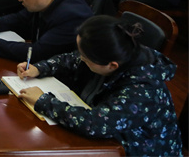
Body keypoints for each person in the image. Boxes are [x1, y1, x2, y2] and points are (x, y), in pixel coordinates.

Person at [17, 15, 182, 156]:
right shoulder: (116, 51)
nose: (80, 59)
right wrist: (40, 68)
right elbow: (72, 59)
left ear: (112, 66)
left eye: (86, 58)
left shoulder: (143, 89)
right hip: (111, 132)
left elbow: (95, 124)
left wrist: (44, 101)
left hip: (137, 150)